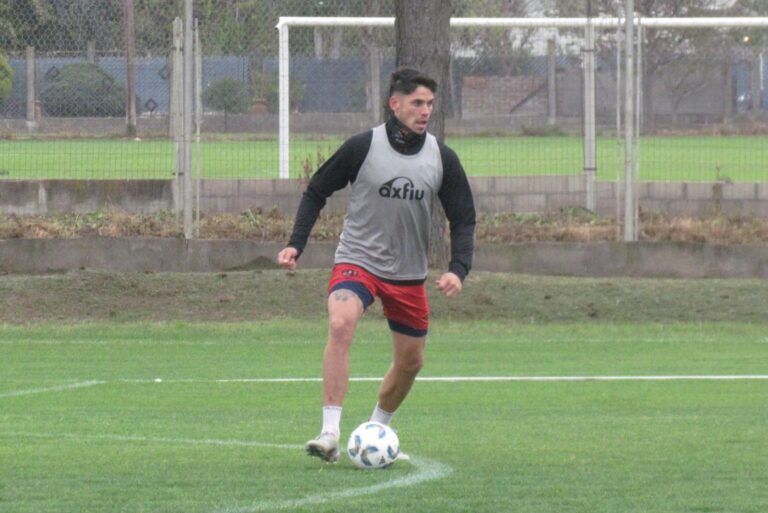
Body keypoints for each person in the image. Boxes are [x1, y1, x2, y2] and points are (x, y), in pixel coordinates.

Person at [277, 67, 476, 463]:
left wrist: (458, 268)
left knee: (411, 362)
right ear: (395, 103)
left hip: (407, 274)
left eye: (430, 104)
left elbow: (464, 216)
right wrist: (295, 244)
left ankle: (376, 429)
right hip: (358, 260)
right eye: (417, 103)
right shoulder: (362, 146)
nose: (425, 111)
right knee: (340, 322)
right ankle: (330, 431)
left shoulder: (441, 157)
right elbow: (317, 190)